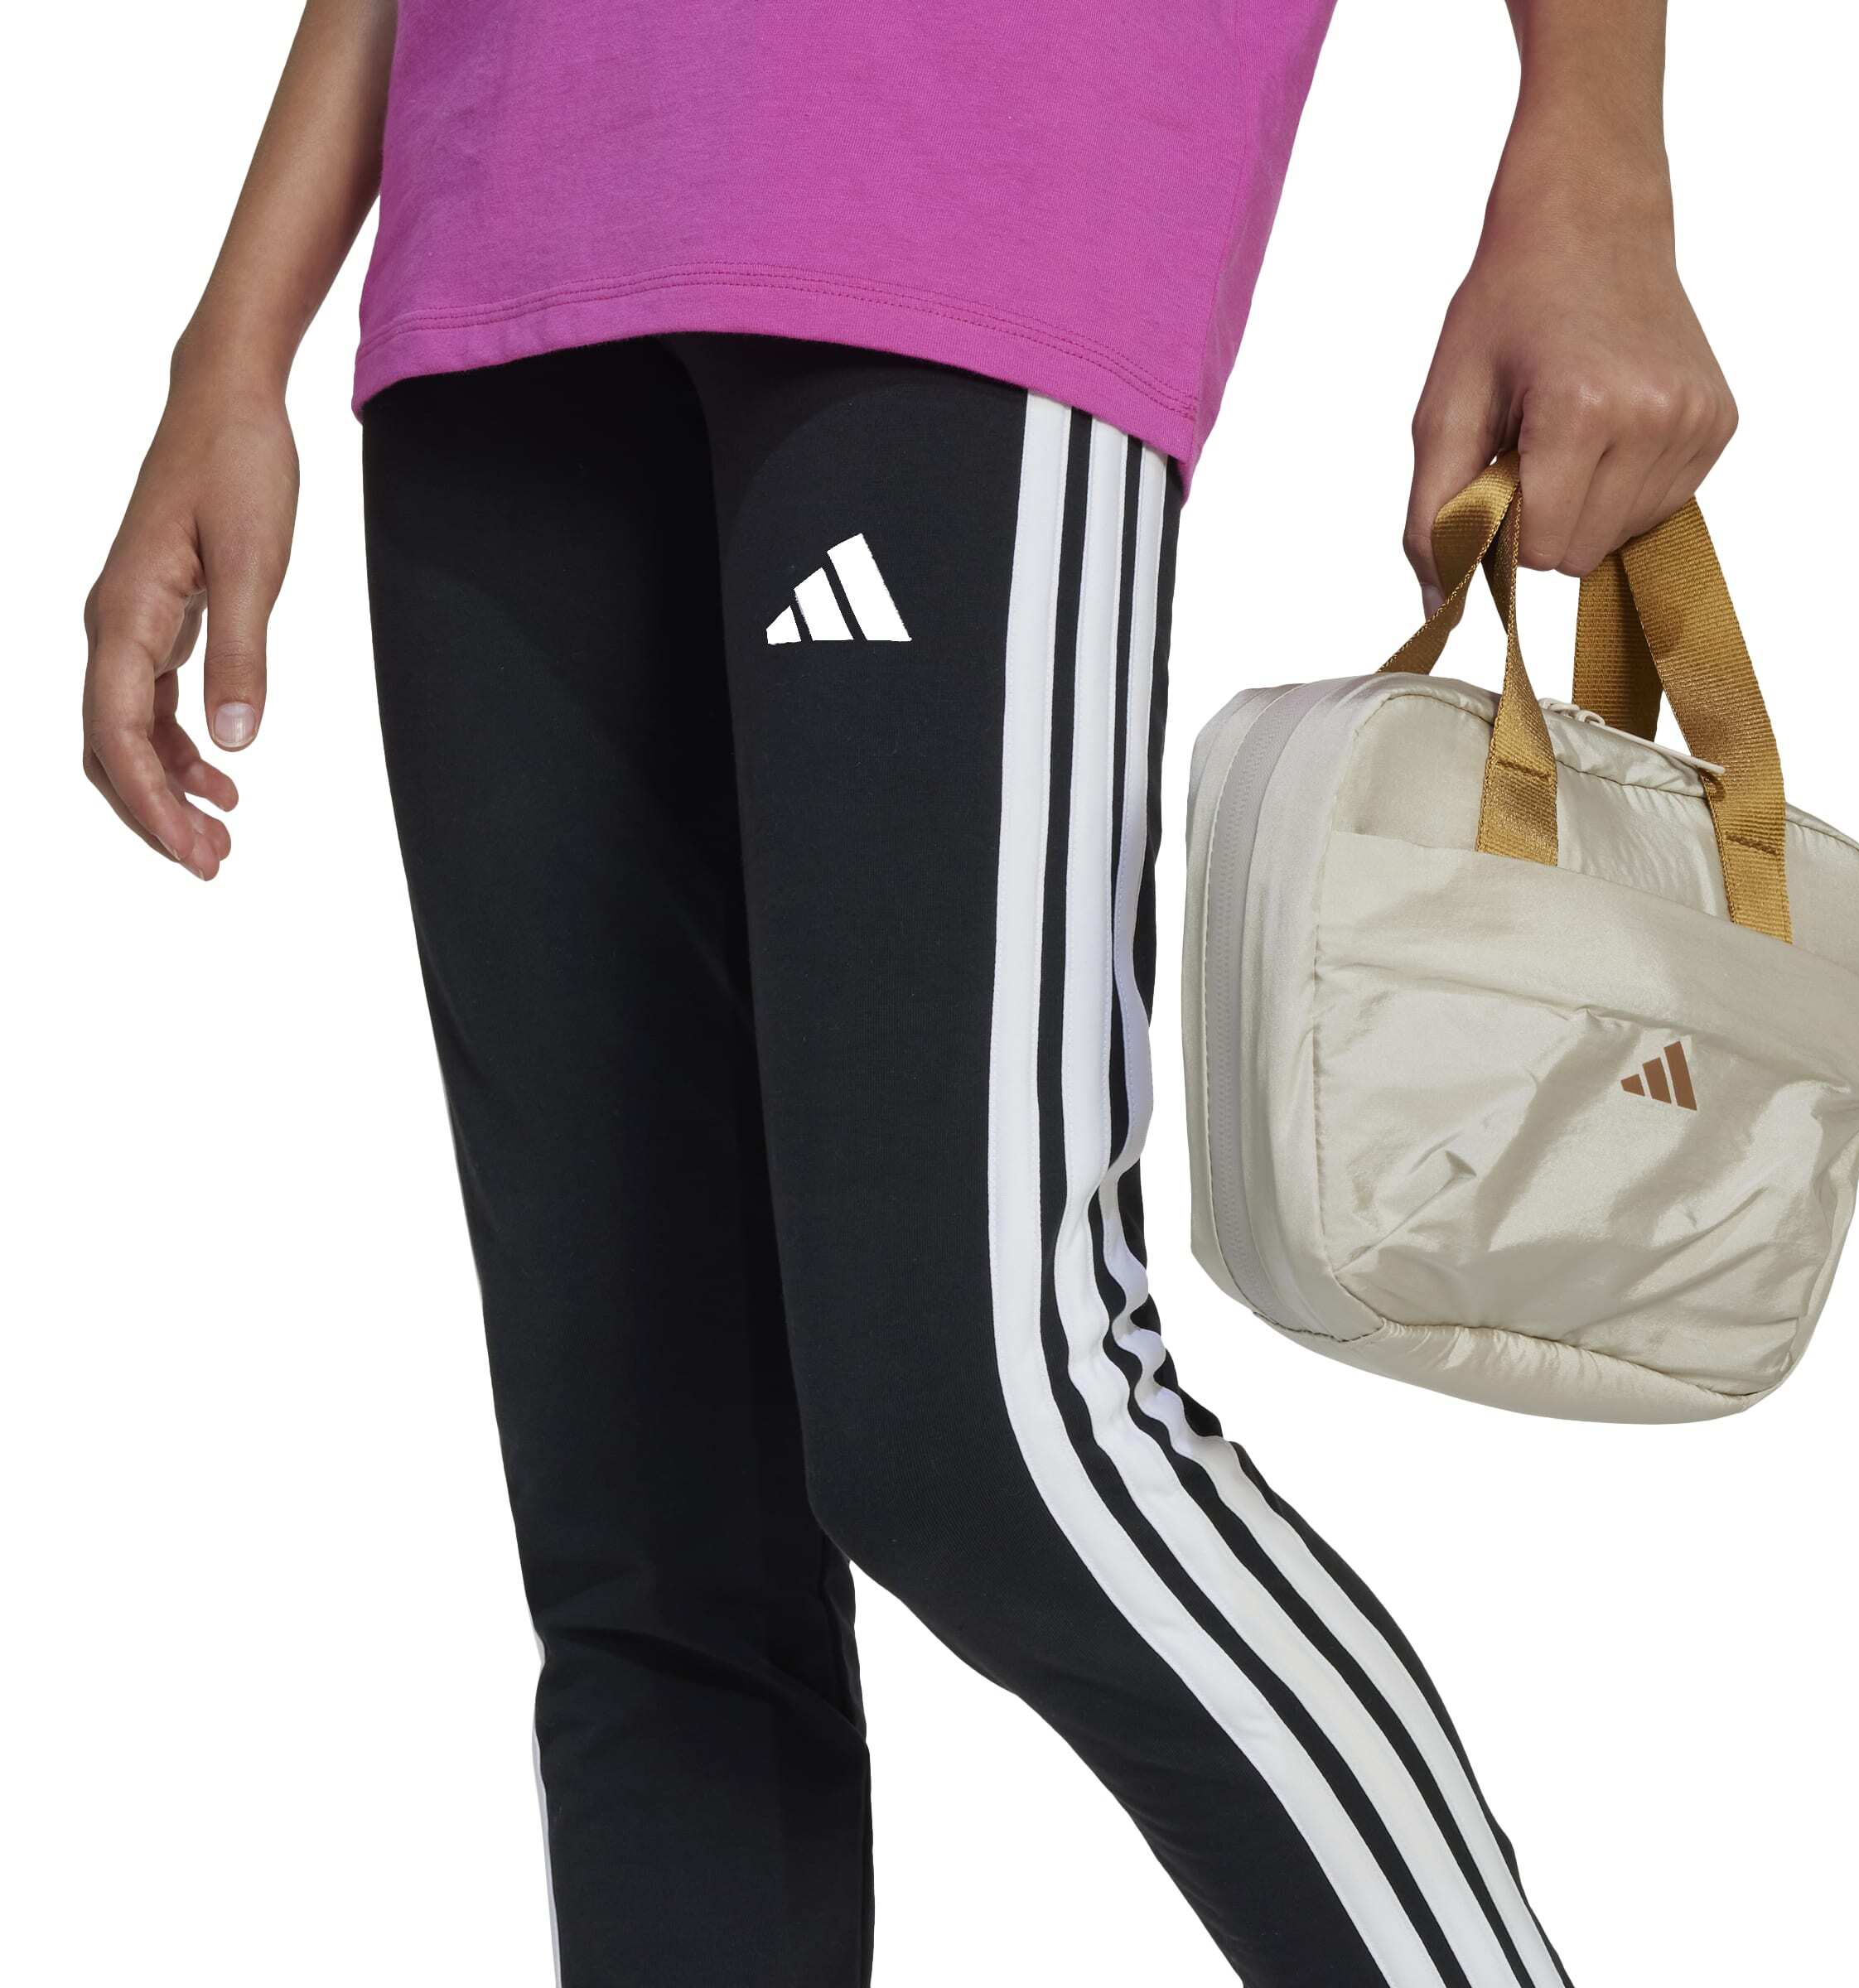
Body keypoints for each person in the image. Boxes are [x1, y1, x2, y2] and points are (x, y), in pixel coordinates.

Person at [80, 3, 1736, 1982]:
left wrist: (1600, 161)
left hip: (952, 173)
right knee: (651, 1542)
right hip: (498, 239)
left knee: (992, 1436)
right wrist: (230, 343)